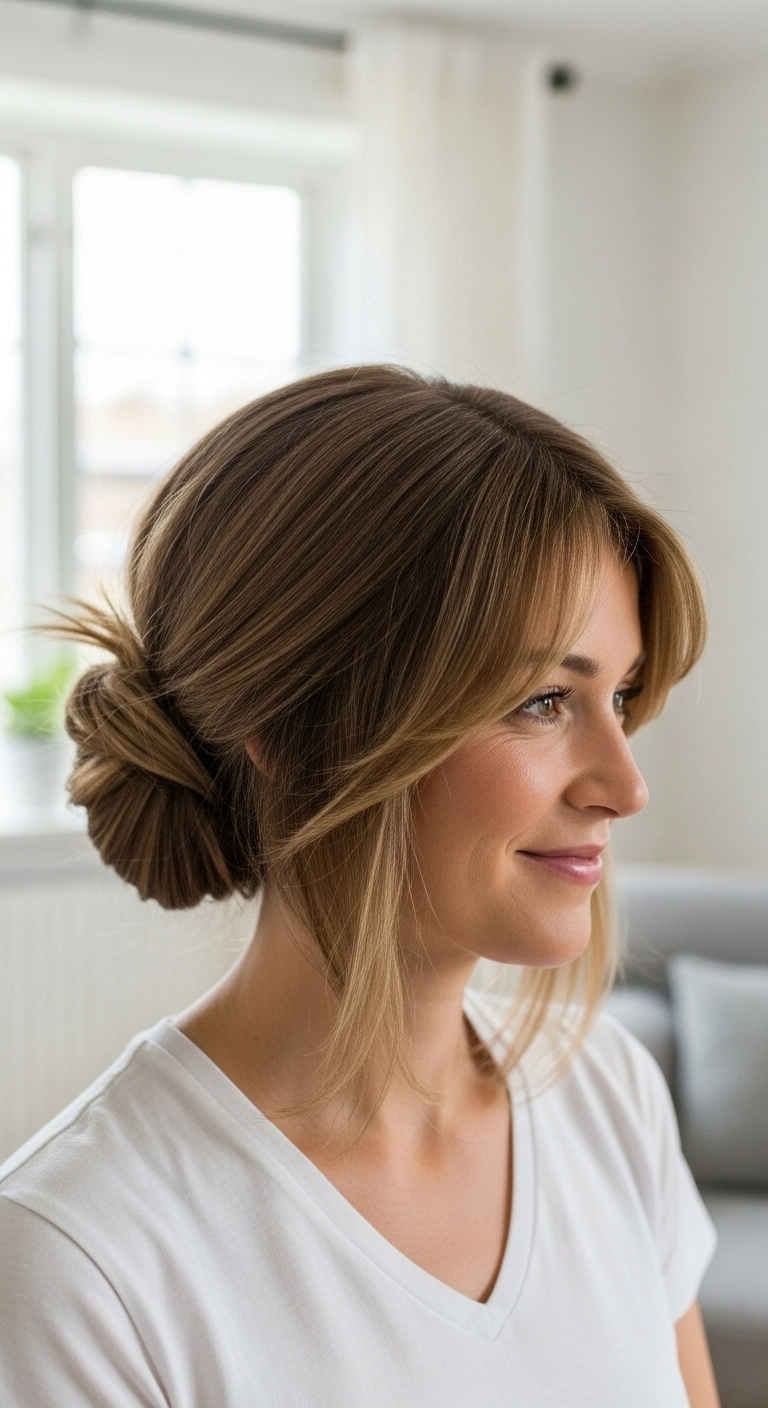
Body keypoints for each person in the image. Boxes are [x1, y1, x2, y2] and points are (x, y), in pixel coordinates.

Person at [0, 366, 720, 1407]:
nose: (626, 785)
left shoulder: (609, 1096)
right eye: (542, 700)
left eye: (622, 695)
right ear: (293, 728)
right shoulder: (82, 1264)